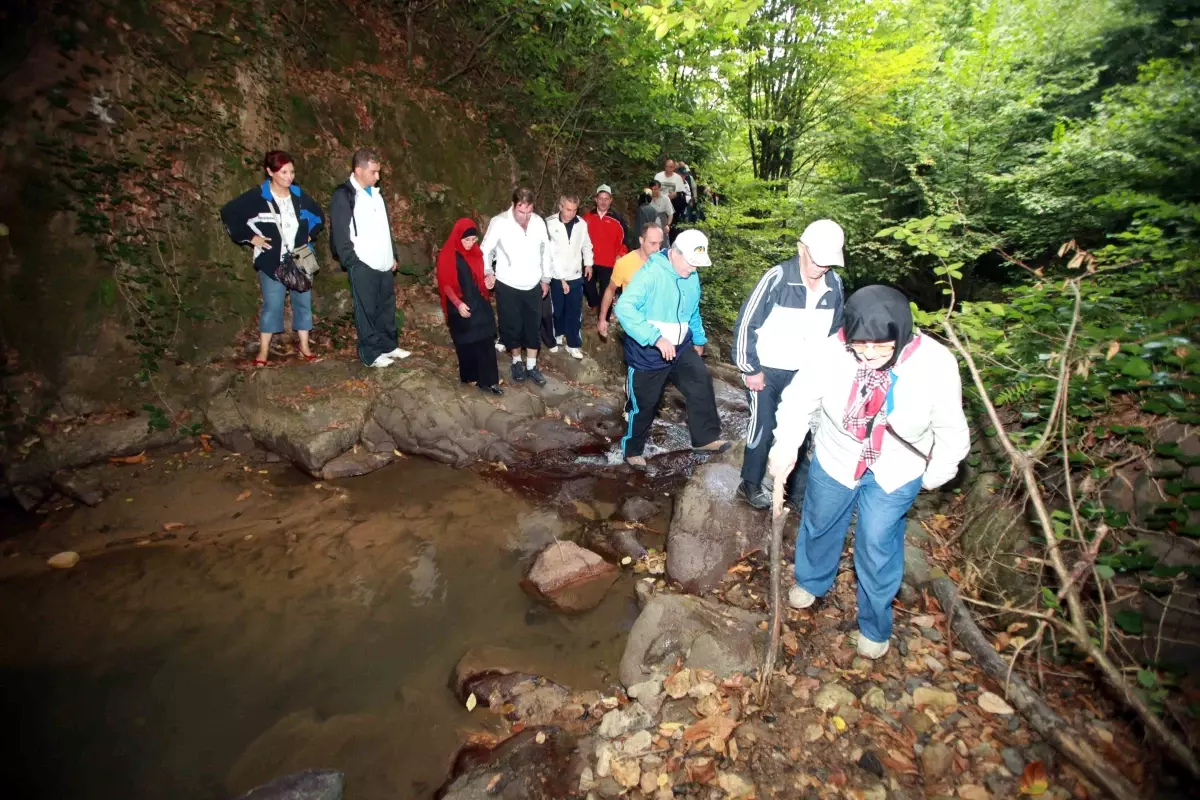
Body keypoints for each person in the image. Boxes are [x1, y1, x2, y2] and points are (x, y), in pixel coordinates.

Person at [767, 285, 970, 659]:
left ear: (902, 335)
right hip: (837, 454)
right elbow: (797, 402)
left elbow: (951, 429)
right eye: (861, 344)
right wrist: (784, 448)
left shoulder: (935, 364)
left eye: (881, 347)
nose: (869, 354)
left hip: (897, 466)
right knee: (820, 521)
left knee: (877, 542)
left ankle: (875, 623)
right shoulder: (832, 351)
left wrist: (933, 475)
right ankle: (812, 579)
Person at [732, 219, 847, 509]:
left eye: (826, 263)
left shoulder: (835, 286)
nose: (820, 268)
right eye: (816, 260)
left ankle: (795, 493)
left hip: (807, 373)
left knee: (805, 430)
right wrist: (751, 368)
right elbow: (747, 323)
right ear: (801, 249)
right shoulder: (777, 278)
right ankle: (750, 483)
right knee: (764, 424)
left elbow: (835, 333)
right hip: (768, 371)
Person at [615, 229, 729, 467]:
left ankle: (705, 439)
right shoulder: (652, 273)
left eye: (697, 265)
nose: (693, 269)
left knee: (700, 381)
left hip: (681, 345)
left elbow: (693, 310)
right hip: (649, 350)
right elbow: (624, 307)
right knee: (645, 403)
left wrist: (699, 339)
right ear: (675, 253)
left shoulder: (691, 276)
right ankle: (632, 450)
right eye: (690, 263)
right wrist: (655, 339)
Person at [221, 150, 324, 366]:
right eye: (283, 172)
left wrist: (309, 233)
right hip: (271, 260)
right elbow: (229, 212)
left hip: (300, 259)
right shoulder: (257, 197)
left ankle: (304, 346)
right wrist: (250, 237)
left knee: (303, 302)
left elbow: (318, 216)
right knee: (272, 305)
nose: (289, 177)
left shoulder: (298, 195)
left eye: (292, 172)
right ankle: (263, 351)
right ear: (270, 172)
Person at [330, 148, 411, 368]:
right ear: (358, 170)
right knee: (366, 310)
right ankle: (370, 353)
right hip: (362, 263)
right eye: (374, 172)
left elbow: (385, 228)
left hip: (383, 262)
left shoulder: (376, 194)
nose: (378, 177)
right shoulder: (344, 195)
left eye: (379, 172)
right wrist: (351, 261)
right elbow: (340, 232)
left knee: (386, 307)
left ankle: (388, 345)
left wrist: (392, 254)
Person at [480, 187, 552, 387]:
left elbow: (545, 251)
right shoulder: (500, 222)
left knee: (533, 325)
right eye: (521, 212)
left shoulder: (537, 222)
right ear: (513, 205)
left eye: (529, 211)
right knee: (511, 325)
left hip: (533, 283)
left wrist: (546, 278)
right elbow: (485, 250)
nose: (525, 217)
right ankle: (516, 362)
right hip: (508, 283)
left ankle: (531, 365)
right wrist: (488, 271)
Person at [436, 218, 501, 394]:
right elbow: (445, 285)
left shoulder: (476, 252)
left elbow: (482, 275)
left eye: (473, 240)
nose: (470, 244)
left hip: (477, 299)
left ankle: (489, 381)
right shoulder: (447, 255)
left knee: (486, 336)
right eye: (467, 240)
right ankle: (470, 376)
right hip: (459, 302)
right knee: (467, 342)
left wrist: (488, 281)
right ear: (458, 237)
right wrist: (458, 304)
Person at [545, 193, 594, 359]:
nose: (571, 213)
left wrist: (588, 263)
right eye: (567, 209)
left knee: (574, 310)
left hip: (575, 274)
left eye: (574, 210)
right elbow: (548, 254)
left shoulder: (581, 224)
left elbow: (586, 245)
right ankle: (557, 334)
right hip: (556, 276)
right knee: (557, 309)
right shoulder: (549, 223)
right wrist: (558, 277)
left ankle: (573, 343)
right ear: (560, 207)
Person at [598, 221, 663, 338]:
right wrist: (602, 319)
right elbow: (610, 290)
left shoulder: (664, 262)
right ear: (641, 240)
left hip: (658, 323)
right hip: (634, 324)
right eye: (653, 243)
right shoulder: (624, 263)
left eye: (660, 243)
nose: (657, 248)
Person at [581, 184, 627, 319]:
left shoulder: (617, 218)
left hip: (609, 261)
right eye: (600, 198)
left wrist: (621, 254)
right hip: (591, 260)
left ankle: (605, 318)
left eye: (606, 199)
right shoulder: (587, 217)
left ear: (610, 200)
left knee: (606, 290)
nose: (603, 201)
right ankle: (594, 304)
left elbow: (625, 240)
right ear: (596, 199)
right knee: (588, 284)